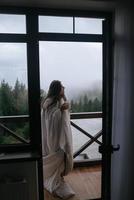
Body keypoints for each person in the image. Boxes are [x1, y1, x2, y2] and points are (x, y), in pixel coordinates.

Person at [41, 80, 75, 199]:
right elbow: (50, 120)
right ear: (57, 89)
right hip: (54, 140)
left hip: (56, 138)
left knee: (61, 159)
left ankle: (58, 176)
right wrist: (61, 110)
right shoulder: (49, 103)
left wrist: (63, 108)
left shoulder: (55, 101)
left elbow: (57, 117)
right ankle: (54, 179)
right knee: (60, 157)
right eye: (62, 87)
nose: (64, 88)